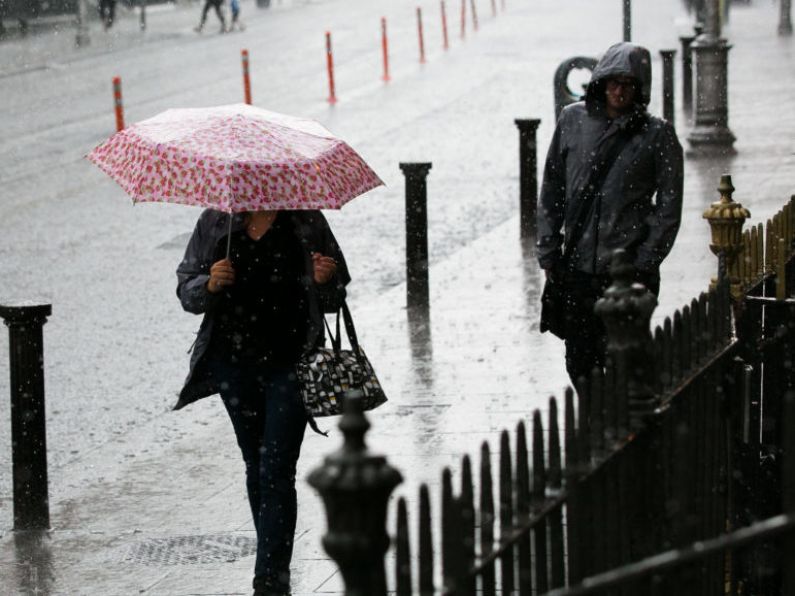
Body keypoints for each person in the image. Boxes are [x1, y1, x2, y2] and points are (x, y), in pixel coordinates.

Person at [175, 209, 349, 596]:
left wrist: (326, 280)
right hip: (233, 366)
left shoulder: (306, 220)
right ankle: (272, 564)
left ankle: (269, 577)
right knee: (256, 463)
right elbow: (187, 289)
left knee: (276, 465)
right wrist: (209, 284)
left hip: (291, 364)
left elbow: (337, 295)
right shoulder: (217, 221)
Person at [537, 42, 684, 390]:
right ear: (600, 82)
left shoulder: (657, 135)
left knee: (622, 360)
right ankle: (596, 421)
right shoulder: (572, 120)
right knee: (579, 360)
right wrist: (548, 250)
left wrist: (645, 261)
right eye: (613, 81)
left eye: (628, 83)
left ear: (639, 88)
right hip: (577, 267)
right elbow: (552, 187)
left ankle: (617, 429)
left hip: (626, 271)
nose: (619, 90)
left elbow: (669, 206)